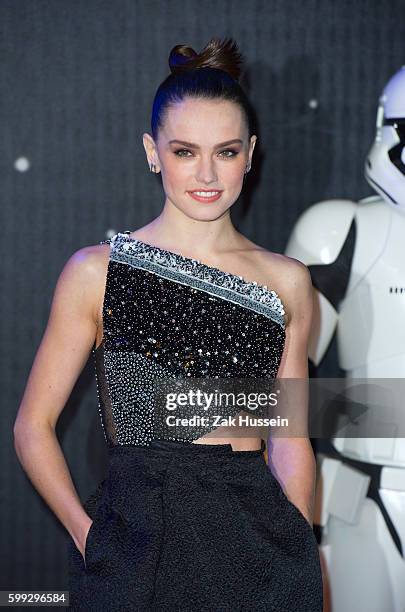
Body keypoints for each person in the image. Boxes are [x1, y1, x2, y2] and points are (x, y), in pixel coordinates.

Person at [13, 37, 323, 611]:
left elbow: (290, 437)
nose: (206, 172)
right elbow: (33, 426)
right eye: (185, 151)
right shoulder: (98, 272)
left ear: (251, 153)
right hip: (136, 537)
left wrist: (298, 547)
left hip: (256, 542)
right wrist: (89, 535)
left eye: (226, 152)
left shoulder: (287, 282)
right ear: (153, 152)